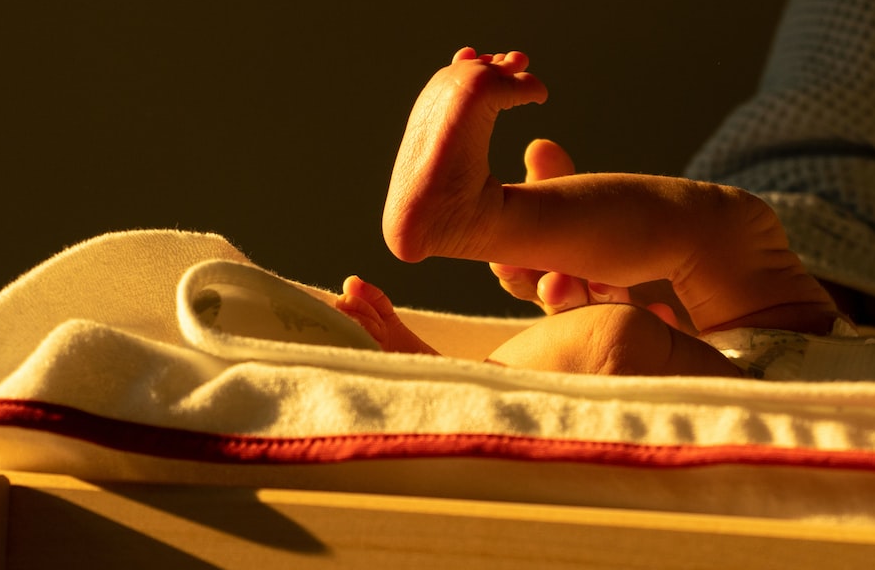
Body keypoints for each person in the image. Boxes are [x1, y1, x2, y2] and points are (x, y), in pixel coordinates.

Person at [335, 48, 842, 377]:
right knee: (731, 227)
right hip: (835, 350)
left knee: (617, 337)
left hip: (796, 415)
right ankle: (496, 218)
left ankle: (495, 225)